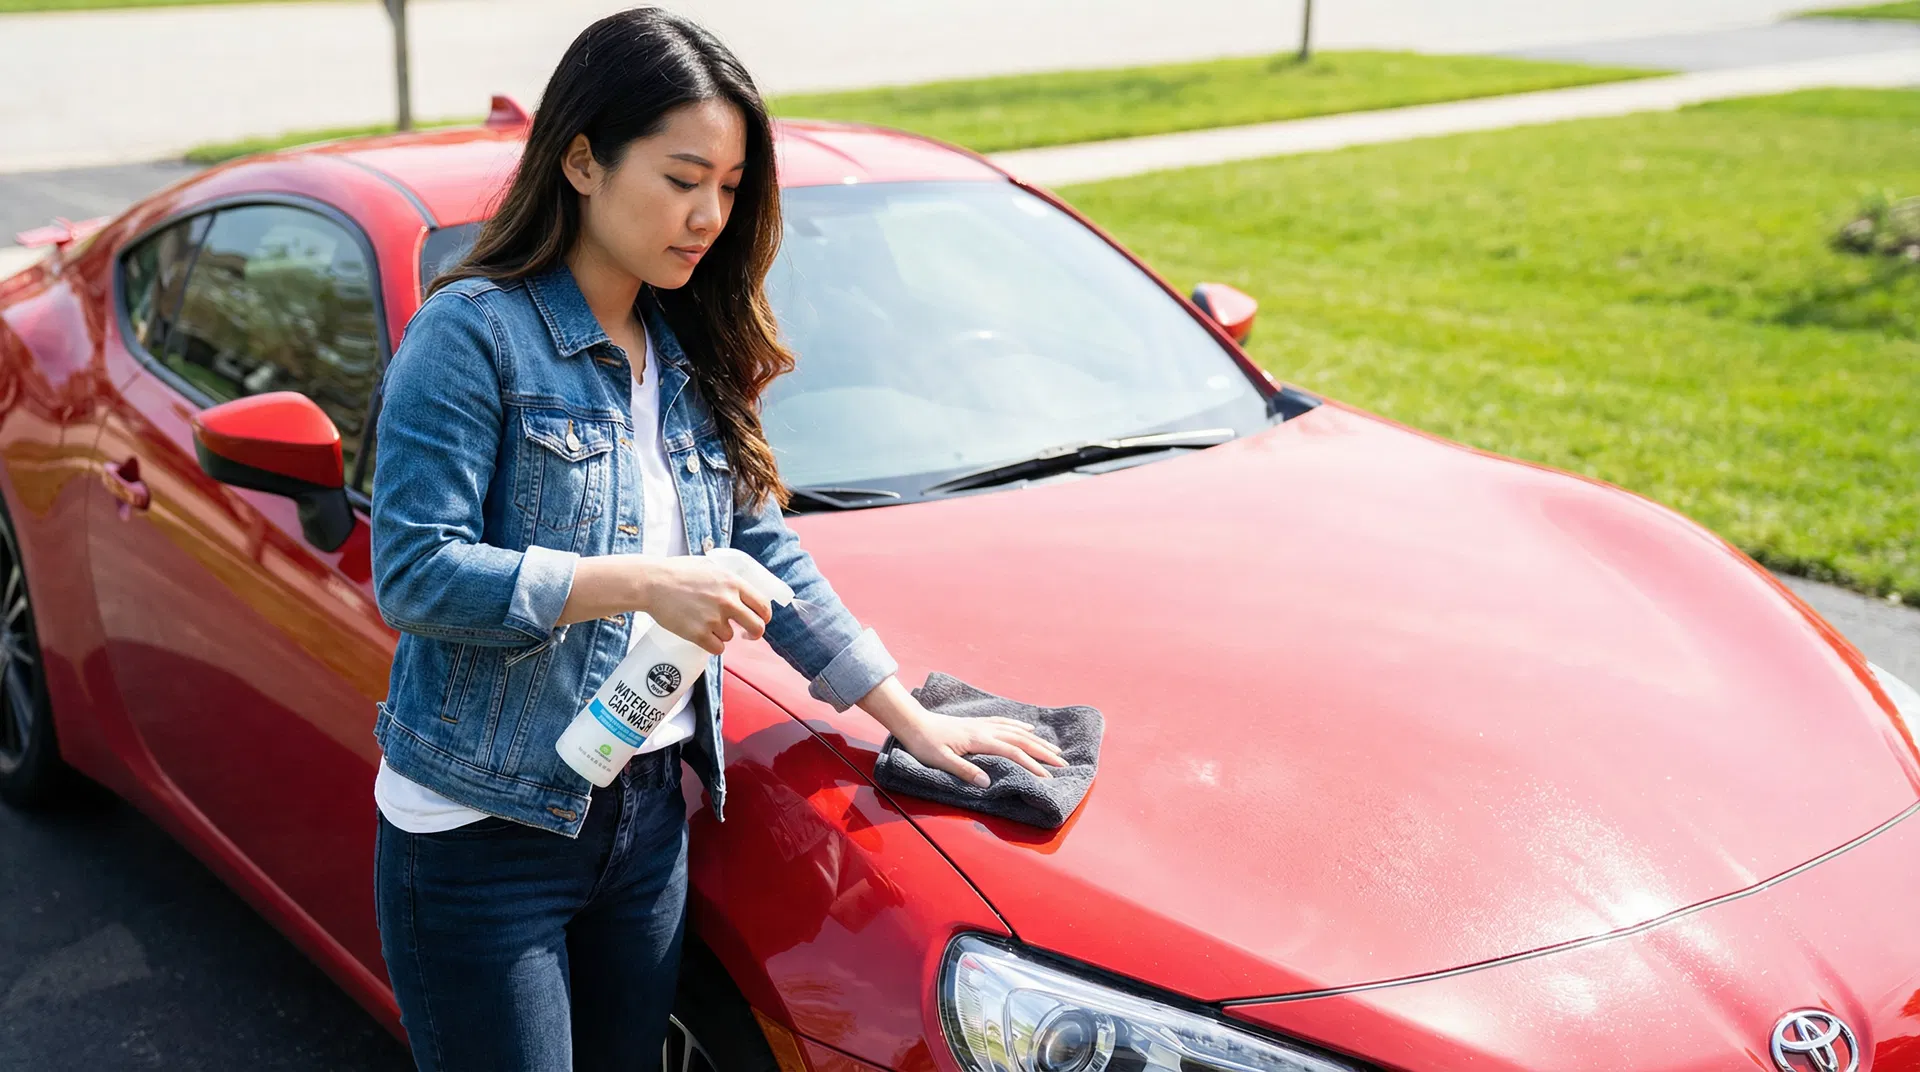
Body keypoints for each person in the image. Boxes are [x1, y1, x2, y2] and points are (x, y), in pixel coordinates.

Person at [365, 9, 1067, 1070]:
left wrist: (906, 713)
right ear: (584, 160)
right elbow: (416, 573)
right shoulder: (473, 337)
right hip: (481, 832)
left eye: (730, 188)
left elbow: (764, 550)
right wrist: (643, 584)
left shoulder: (686, 344)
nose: (708, 215)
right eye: (683, 178)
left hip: (644, 822)